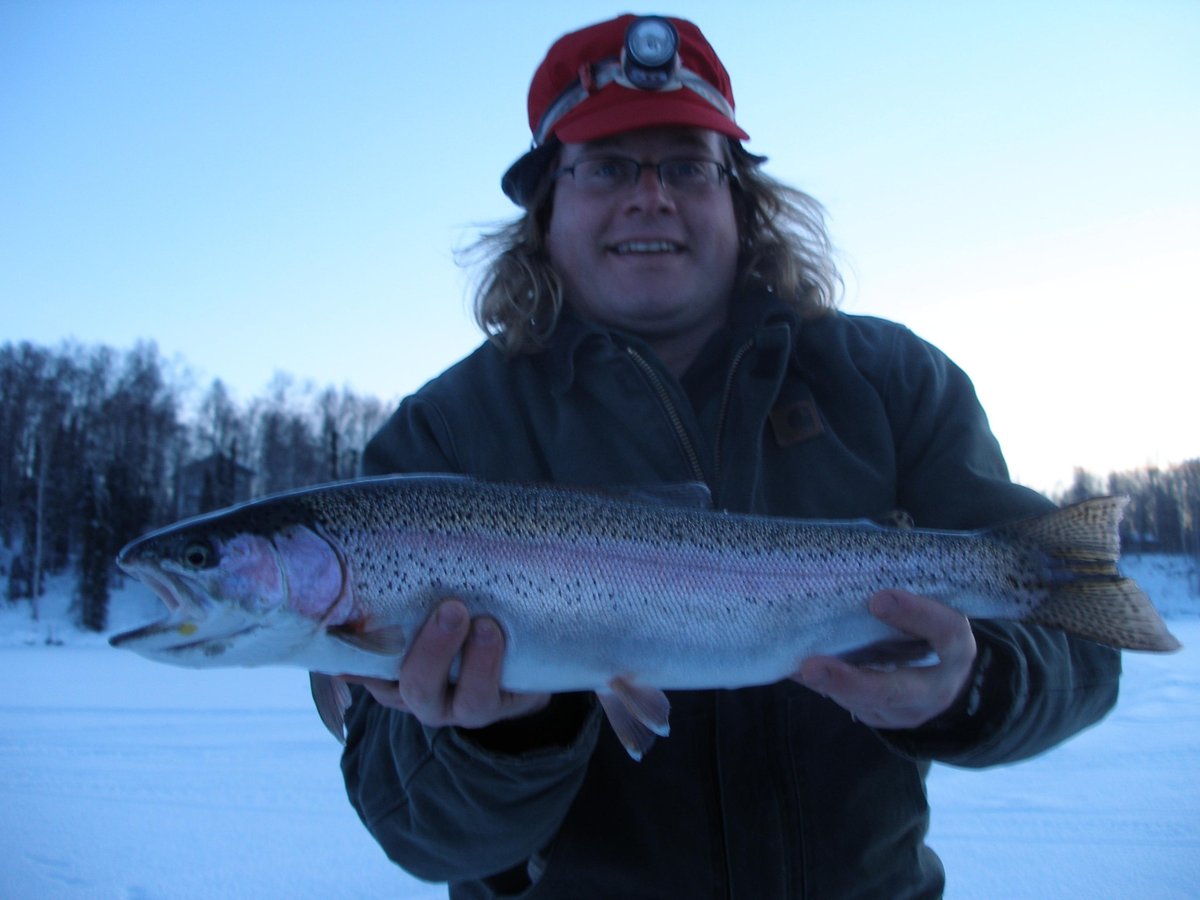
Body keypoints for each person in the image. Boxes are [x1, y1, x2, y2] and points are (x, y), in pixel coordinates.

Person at [339, 14, 1120, 899]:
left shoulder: (891, 382)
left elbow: (1082, 643)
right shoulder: (439, 439)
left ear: (741, 202)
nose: (650, 196)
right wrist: (499, 741)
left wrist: (973, 688)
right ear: (544, 209)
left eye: (685, 166)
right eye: (605, 166)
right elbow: (413, 830)